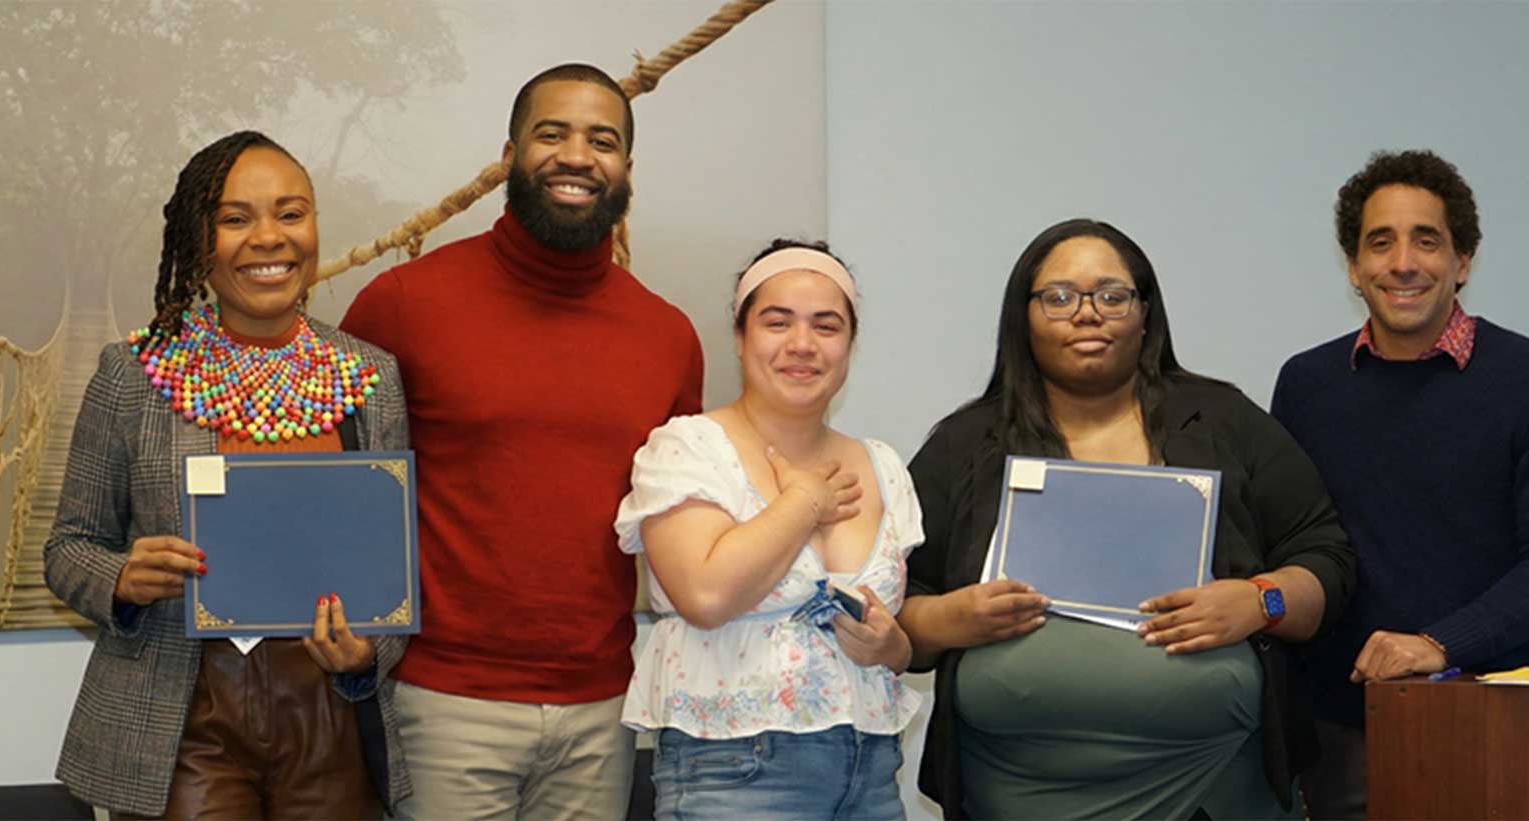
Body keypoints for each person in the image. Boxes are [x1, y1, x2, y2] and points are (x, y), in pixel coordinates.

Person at [339, 63, 703, 820]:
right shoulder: (402, 305)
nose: (577, 155)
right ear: (506, 157)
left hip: (603, 707)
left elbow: (685, 528)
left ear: (626, 171)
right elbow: (336, 485)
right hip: (444, 701)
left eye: (601, 140)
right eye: (551, 133)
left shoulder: (668, 337)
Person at [897, 218, 1356, 820]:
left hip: (1211, 789)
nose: (1087, 313)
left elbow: (1329, 559)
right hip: (1014, 795)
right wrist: (952, 617)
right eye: (1059, 297)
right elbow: (893, 609)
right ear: (1023, 317)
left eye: (1112, 296)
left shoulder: (1223, 421)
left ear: (1145, 314)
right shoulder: (964, 445)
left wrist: (1258, 600)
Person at [44, 130, 411, 819]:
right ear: (197, 241)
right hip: (184, 722)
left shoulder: (370, 376)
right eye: (235, 219)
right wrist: (121, 578)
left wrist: (368, 651)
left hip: (331, 719)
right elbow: (68, 546)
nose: (269, 237)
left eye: (291, 213)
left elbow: (391, 566)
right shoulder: (132, 374)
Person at [1272, 149, 1529, 820]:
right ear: (1354, 268)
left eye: (1427, 239)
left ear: (1463, 261)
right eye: (1378, 242)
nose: (1403, 262)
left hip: (1496, 715)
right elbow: (1292, 549)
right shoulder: (1306, 385)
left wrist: (1438, 643)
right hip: (1341, 729)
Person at [614, 240, 922, 821]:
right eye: (777, 322)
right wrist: (803, 500)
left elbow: (893, 633)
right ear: (740, 335)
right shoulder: (688, 447)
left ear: (850, 343)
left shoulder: (883, 465)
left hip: (872, 771)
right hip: (736, 771)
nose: (802, 345)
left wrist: (893, 646)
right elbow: (705, 595)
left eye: (826, 326)